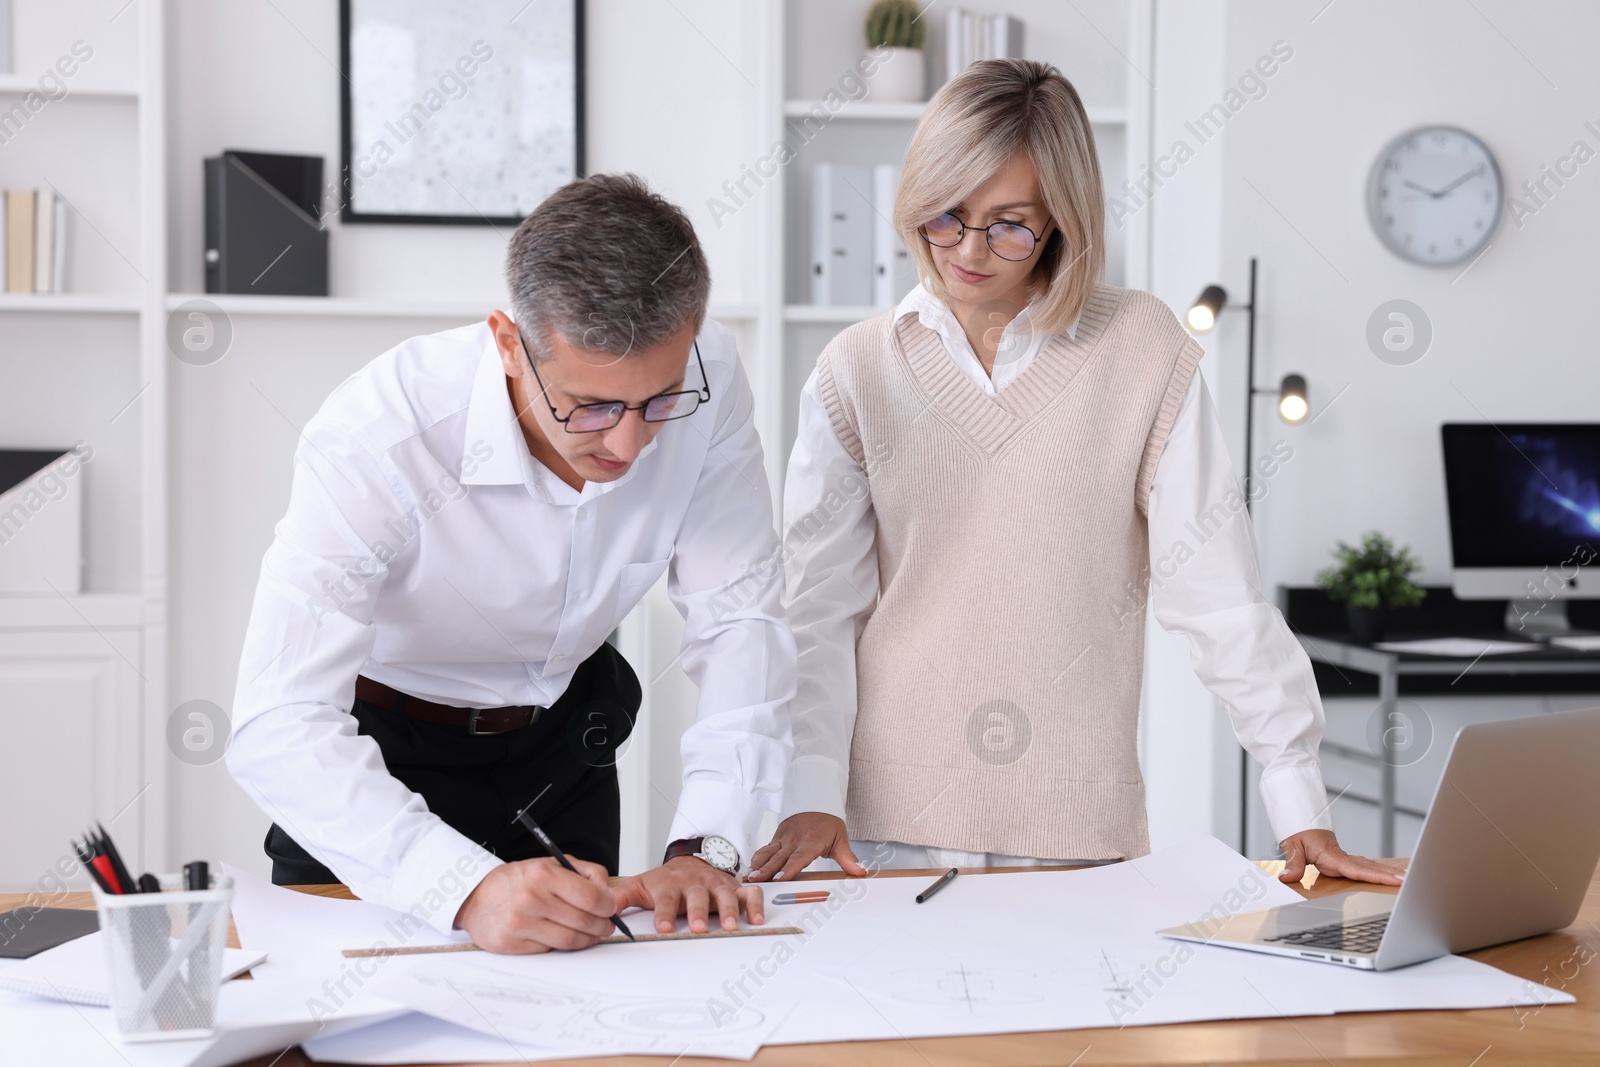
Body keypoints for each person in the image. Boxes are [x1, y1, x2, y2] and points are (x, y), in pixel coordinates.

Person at [748, 59, 1402, 888]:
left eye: (1010, 224)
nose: (969, 251)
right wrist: (809, 790)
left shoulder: (1143, 348)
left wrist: (1297, 797)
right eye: (946, 217)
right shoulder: (856, 370)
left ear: (1063, 218)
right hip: (878, 832)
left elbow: (1216, 593)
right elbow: (817, 613)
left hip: (1077, 836)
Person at [228, 174, 796, 953]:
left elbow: (742, 620)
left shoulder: (711, 374)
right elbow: (277, 720)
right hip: (384, 759)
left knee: (585, 1014)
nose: (628, 446)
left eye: (658, 402)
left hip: (568, 744)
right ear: (506, 340)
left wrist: (709, 846)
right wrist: (459, 886)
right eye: (590, 406)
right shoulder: (379, 433)